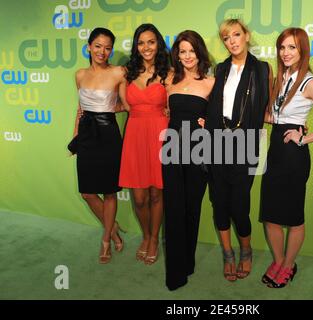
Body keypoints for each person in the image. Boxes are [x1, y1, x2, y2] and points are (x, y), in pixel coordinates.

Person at [260, 27, 313, 288]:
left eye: (292, 47)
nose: (286, 52)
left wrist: (304, 137)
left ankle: (288, 265)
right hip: (275, 150)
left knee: (293, 216)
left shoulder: (308, 81)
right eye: (282, 47)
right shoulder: (281, 77)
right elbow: (269, 117)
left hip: (294, 157)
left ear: (302, 50)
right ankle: (278, 260)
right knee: (271, 214)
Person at [205, 19, 272, 282]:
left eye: (236, 34)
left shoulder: (262, 69)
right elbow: (211, 102)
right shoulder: (219, 69)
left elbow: (268, 106)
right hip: (216, 142)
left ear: (246, 36)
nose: (232, 41)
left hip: (245, 144)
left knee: (240, 204)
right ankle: (227, 253)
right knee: (219, 202)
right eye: (226, 37)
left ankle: (246, 250)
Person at [162, 30, 215, 290]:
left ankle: (188, 262)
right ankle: (176, 272)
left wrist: (210, 124)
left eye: (191, 51)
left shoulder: (211, 82)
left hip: (198, 150)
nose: (187, 56)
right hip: (172, 148)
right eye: (182, 51)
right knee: (173, 208)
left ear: (199, 52)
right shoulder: (169, 79)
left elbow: (221, 116)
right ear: (177, 55)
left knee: (192, 208)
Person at [72, 27, 127, 264]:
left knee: (109, 190)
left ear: (111, 50)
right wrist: (75, 137)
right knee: (87, 192)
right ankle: (113, 226)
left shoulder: (118, 72)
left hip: (108, 134)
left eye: (107, 47)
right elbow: (80, 109)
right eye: (97, 46)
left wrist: (109, 108)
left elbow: (126, 104)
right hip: (87, 135)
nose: (102, 51)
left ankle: (107, 239)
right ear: (89, 47)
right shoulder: (80, 75)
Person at [119, 23, 170, 265]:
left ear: (158, 44)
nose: (146, 47)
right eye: (141, 42)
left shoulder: (168, 73)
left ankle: (153, 239)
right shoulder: (125, 73)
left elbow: (173, 106)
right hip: (135, 133)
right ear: (136, 46)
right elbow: (125, 105)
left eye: (151, 42)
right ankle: (147, 234)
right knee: (139, 197)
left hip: (160, 133)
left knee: (156, 193)